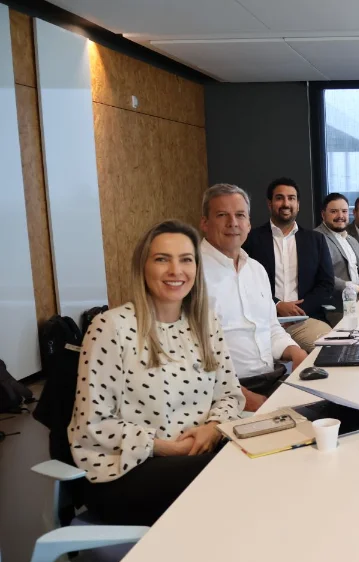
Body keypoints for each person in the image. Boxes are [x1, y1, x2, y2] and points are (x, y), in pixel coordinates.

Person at [68, 220, 244, 526]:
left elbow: (230, 394)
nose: (176, 271)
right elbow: (92, 424)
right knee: (230, 478)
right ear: (143, 267)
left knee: (265, 457)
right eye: (162, 259)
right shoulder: (112, 327)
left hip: (198, 455)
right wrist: (166, 448)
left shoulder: (205, 322)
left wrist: (213, 427)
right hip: (127, 469)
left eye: (186, 260)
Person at [200, 183, 308, 413]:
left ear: (248, 223)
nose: (233, 223)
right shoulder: (192, 274)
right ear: (204, 223)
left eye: (240, 215)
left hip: (272, 379)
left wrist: (296, 352)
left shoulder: (256, 269)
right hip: (224, 394)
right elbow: (191, 356)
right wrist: (242, 397)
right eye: (222, 215)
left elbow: (270, 327)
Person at [243, 177, 334, 354]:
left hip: (304, 320)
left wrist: (298, 310)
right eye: (279, 198)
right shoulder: (251, 240)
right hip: (263, 321)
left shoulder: (315, 240)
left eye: (291, 198)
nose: (286, 203)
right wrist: (277, 305)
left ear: (298, 204)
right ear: (269, 204)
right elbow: (245, 285)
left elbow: (326, 285)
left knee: (331, 349)